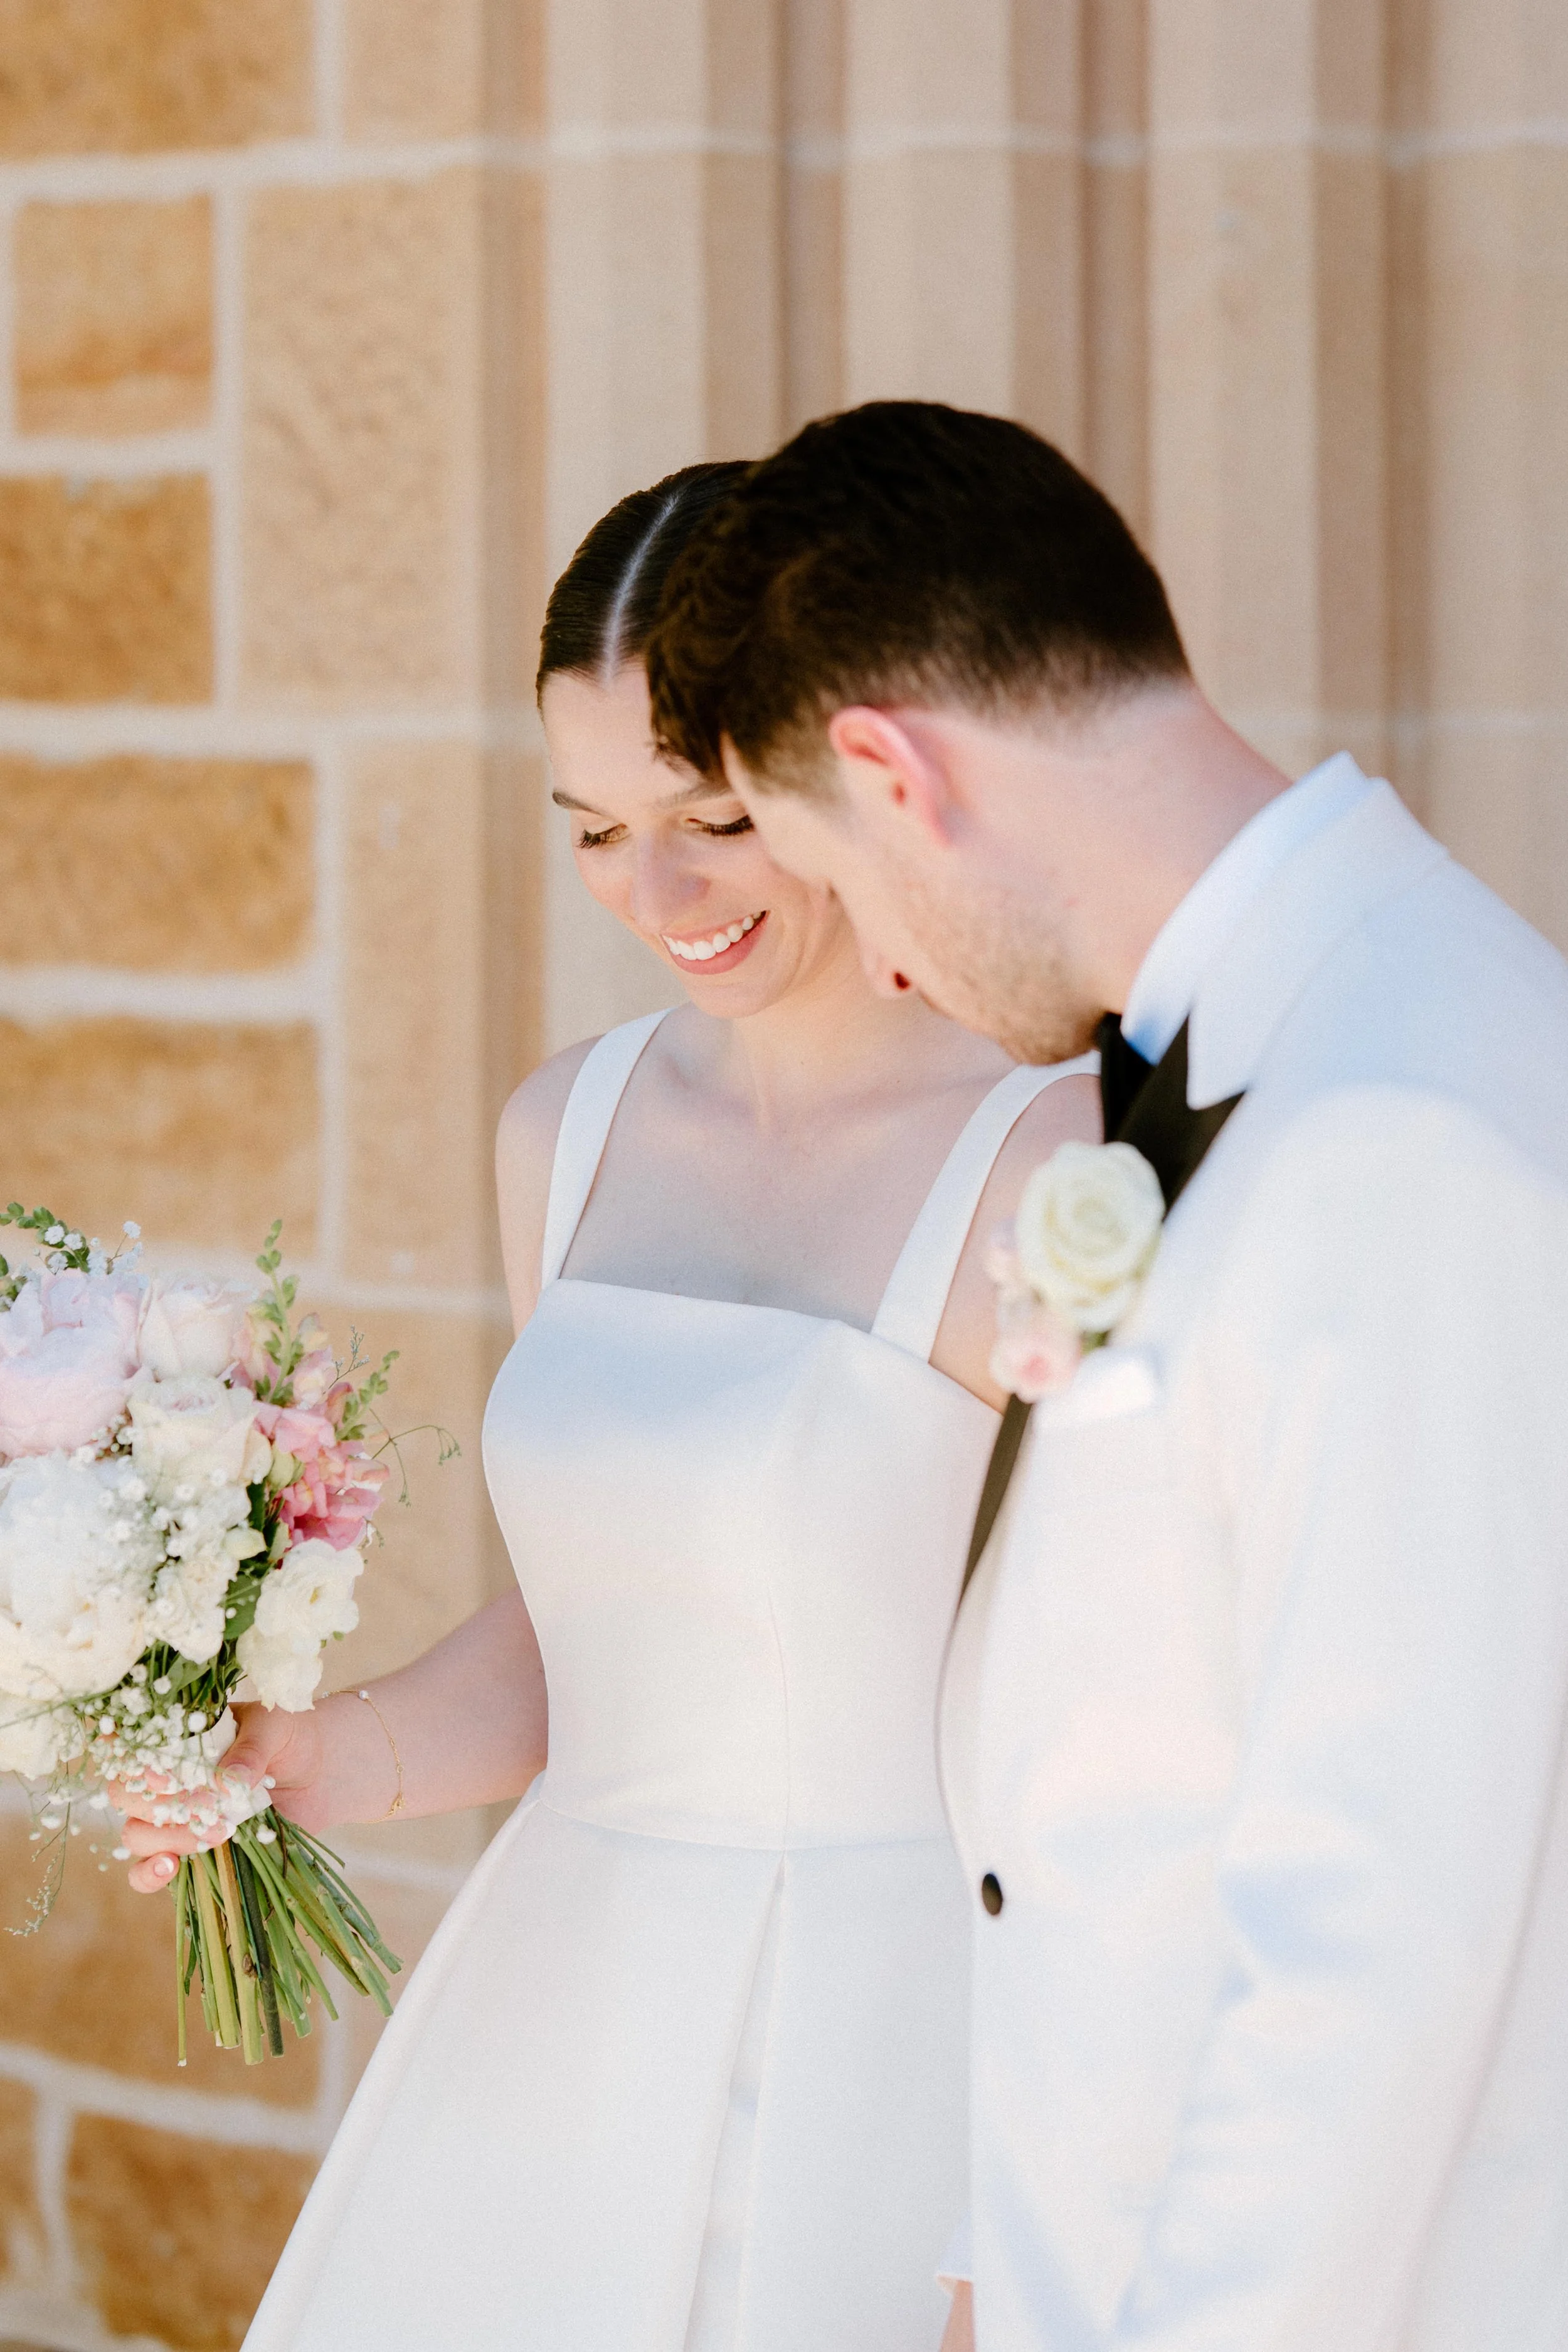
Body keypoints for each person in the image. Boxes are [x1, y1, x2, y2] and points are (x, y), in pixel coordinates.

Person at [119, 460, 1099, 2352]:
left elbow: (1116, 1724)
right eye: (591, 828)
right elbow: (596, 1634)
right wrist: (316, 1756)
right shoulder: (559, 1129)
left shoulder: (1043, 1162)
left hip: (887, 2048)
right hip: (559, 2014)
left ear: (857, 768)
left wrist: (1012, 2205)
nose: (654, 897)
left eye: (713, 815)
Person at [644, 401, 1568, 2352]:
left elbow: (1373, 1937)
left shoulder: (1389, 1119)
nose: (882, 967)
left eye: (842, 872)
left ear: (898, 775)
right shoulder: (1266, 1043)